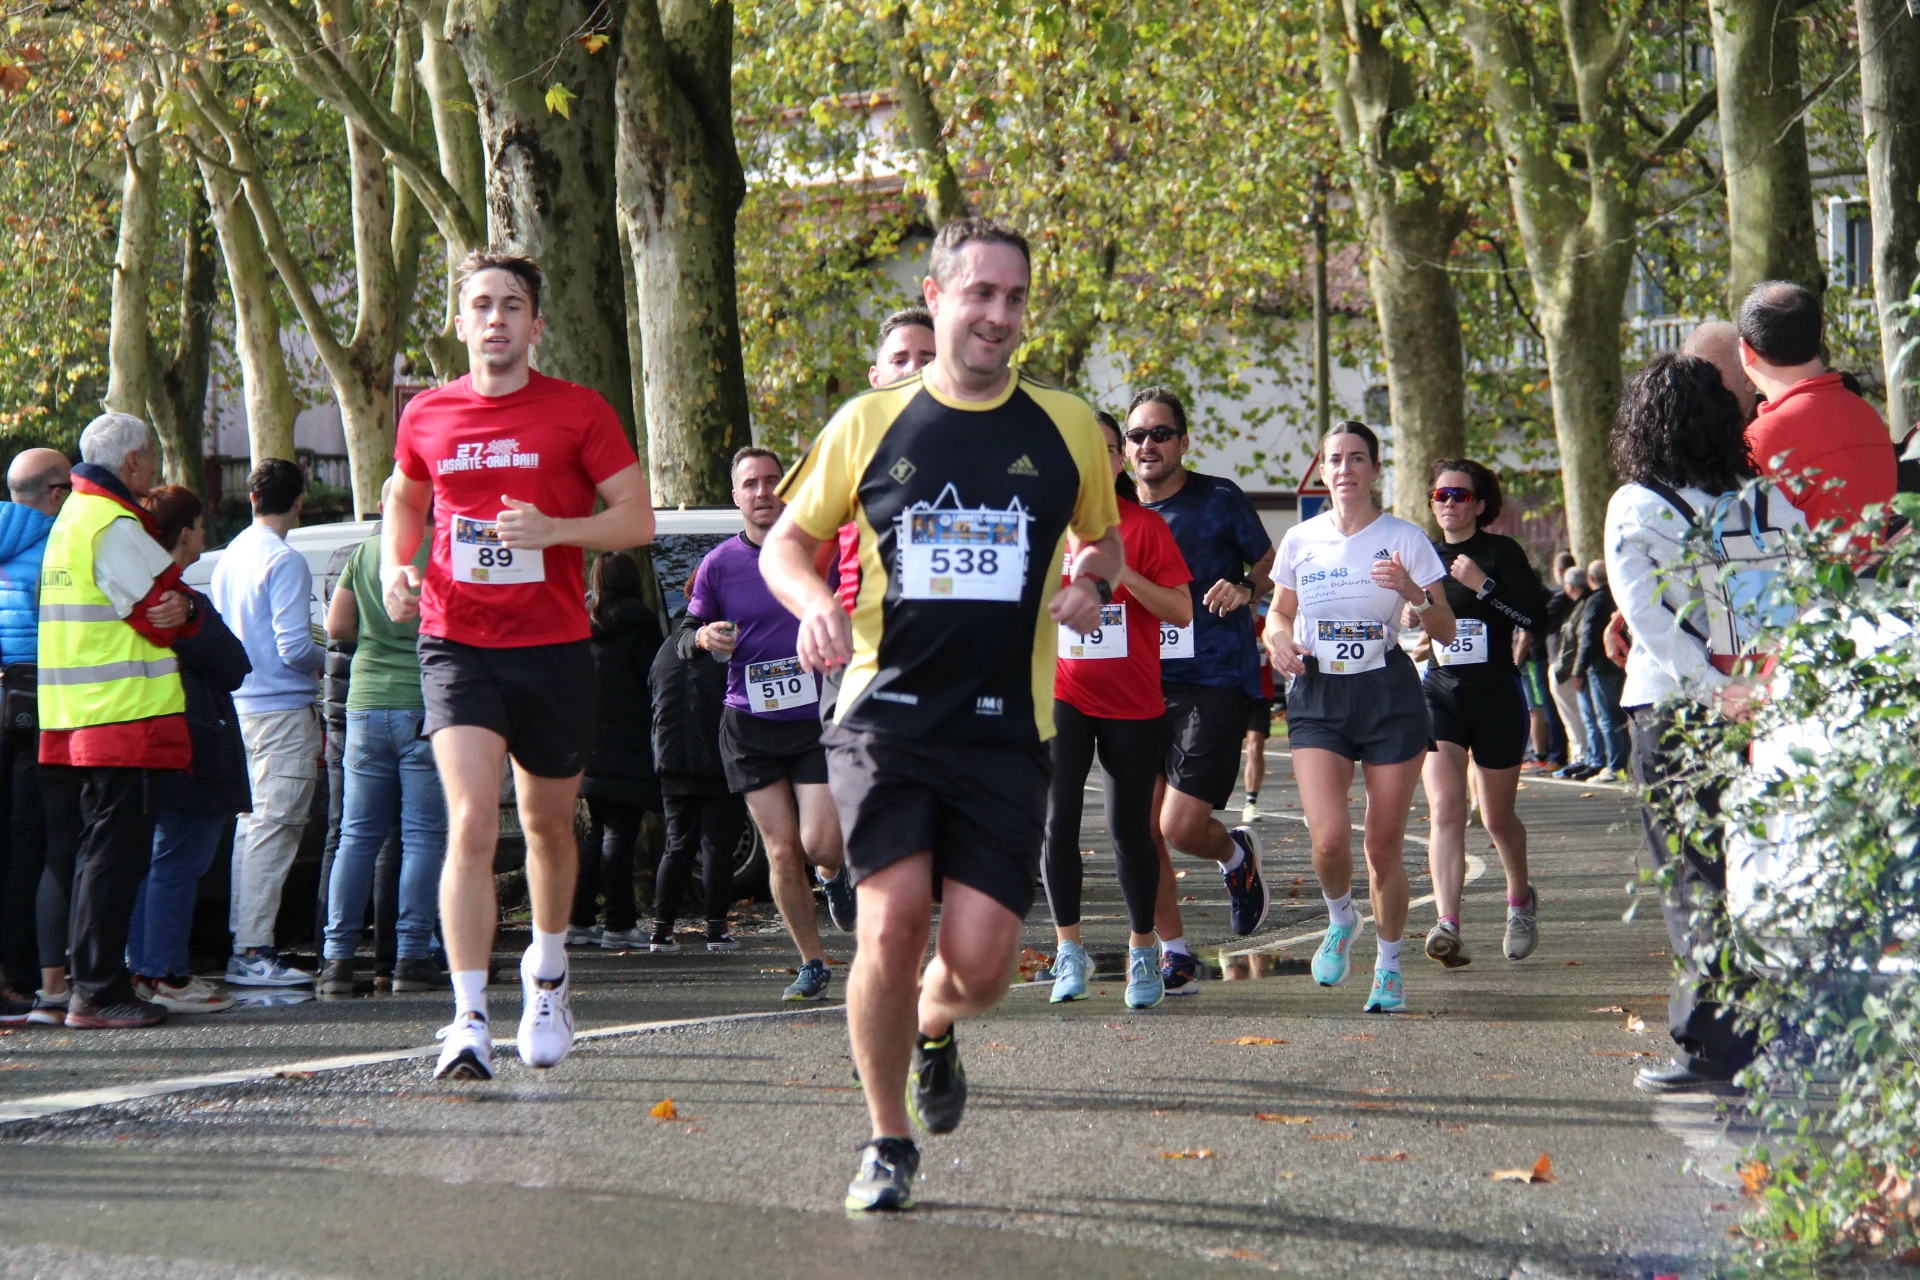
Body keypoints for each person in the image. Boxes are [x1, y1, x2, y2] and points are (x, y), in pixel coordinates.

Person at [760, 217, 1123, 1213]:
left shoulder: (1066, 426)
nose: (998, 315)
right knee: (888, 925)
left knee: (984, 965)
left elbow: (1103, 540)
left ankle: (934, 1021)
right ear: (936, 294)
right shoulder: (870, 422)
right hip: (884, 717)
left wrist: (1093, 582)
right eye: (980, 293)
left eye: (1015, 297)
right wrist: (815, 601)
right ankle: (886, 1139)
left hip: (1008, 728)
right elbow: (783, 544)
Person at [383, 248, 652, 1082]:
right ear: (460, 323)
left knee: (545, 826)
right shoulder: (427, 413)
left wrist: (556, 532)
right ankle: (467, 1018)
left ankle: (549, 973)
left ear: (535, 325)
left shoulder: (578, 411)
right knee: (470, 821)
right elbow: (406, 496)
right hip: (456, 641)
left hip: (554, 646)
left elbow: (638, 519)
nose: (494, 318)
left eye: (510, 305)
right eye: (480, 304)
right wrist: (397, 565)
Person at [1604, 352, 1807, 1093]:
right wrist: (1755, 685)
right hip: (1763, 703)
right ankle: (1775, 1030)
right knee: (1757, 866)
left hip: (1675, 708)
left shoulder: (1638, 504)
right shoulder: (1765, 500)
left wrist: (1711, 687)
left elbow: (1647, 618)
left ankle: (1710, 1046)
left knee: (1692, 871)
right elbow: (1798, 592)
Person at [1263, 421, 1454, 1015]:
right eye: (1335, 459)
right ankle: (1342, 916)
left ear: (1374, 469)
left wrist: (1414, 594)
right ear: (1322, 470)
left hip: (1387, 695)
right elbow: (1278, 614)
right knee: (1328, 839)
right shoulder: (1300, 539)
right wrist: (1278, 641)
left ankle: (1389, 966)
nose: (1345, 468)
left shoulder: (1405, 538)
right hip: (1318, 692)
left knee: (1382, 845)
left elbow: (1447, 629)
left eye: (1357, 458)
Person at [36, 412, 199, 1029]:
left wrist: (179, 608)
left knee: (94, 852)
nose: (154, 464)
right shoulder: (111, 520)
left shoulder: (73, 517)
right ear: (132, 461)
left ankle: (92, 986)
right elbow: (162, 606)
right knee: (115, 855)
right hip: (123, 715)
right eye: (150, 454)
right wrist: (187, 610)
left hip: (79, 714)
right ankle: (99, 990)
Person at [684, 446, 853, 1000]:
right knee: (781, 851)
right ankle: (812, 961)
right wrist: (703, 636)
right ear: (735, 495)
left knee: (820, 843)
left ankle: (832, 874)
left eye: (772, 481)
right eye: (751, 483)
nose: (762, 492)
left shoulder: (818, 551)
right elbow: (686, 633)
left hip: (814, 718)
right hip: (749, 724)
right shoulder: (718, 564)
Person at [1125, 385, 1275, 996]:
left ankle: (1235, 855)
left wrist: (1245, 587)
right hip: (1136, 682)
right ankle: (1176, 955)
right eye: (1137, 435)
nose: (1148, 445)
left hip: (1212, 679)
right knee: (1143, 830)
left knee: (1181, 827)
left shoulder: (1218, 498)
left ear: (1183, 442)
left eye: (1161, 434)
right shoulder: (1114, 508)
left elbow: (1269, 561)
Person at [1042, 411, 1192, 1011]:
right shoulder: (1047, 530)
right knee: (1057, 821)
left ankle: (1142, 949)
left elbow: (1181, 610)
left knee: (1129, 830)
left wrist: (1123, 573)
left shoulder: (1145, 527)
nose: (1095, 459)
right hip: (1063, 695)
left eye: (1108, 449)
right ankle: (1068, 950)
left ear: (1119, 461)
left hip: (1132, 703)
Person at [318, 482, 448, 995]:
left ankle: (336, 959)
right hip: (424, 702)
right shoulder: (443, 550)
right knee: (422, 836)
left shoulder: (365, 553)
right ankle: (411, 956)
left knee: (356, 836)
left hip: (365, 704)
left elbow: (338, 627)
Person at [1417, 459, 1548, 968]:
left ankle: (1519, 902)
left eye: (1460, 495)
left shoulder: (1501, 552)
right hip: (1440, 693)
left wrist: (1483, 585)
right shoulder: (1422, 555)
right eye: (1441, 495)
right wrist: (1408, 614)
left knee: (1495, 817)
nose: (1449, 503)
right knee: (1446, 809)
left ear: (1479, 505)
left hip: (1495, 695)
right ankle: (1448, 924)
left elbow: (1536, 617)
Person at [126, 486, 244, 1014]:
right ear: (185, 532)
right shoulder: (177, 599)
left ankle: (144, 969)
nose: (203, 533)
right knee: (179, 859)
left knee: (155, 861)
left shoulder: (133, 588)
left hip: (148, 735)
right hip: (193, 739)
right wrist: (198, 612)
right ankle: (165, 973)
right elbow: (233, 664)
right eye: (198, 523)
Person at [210, 458, 325, 987]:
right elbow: (295, 647)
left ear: (253, 499)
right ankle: (253, 949)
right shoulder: (284, 559)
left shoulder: (230, 556)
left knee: (252, 828)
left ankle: (246, 942)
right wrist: (335, 654)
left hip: (240, 708)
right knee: (275, 829)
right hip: (281, 709)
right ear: (298, 502)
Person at [1737, 281, 1895, 548]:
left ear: (1746, 351)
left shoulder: (1766, 435)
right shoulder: (1866, 413)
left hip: (1811, 575)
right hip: (1880, 570)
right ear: (1820, 335)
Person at [0, 448, 69, 1022]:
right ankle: (23, 972)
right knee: (32, 842)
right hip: (37, 706)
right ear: (56, 493)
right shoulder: (56, 548)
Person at [569, 549, 663, 952]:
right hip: (630, 743)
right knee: (620, 833)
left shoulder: (583, 623)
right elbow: (654, 681)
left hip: (590, 743)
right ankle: (620, 923)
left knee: (597, 833)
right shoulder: (642, 624)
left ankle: (579, 918)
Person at [828, 309, 940, 626]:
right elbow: (797, 549)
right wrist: (818, 607)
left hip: (948, 635)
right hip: (866, 636)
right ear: (875, 378)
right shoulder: (847, 446)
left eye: (927, 359)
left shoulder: (977, 446)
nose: (913, 369)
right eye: (899, 360)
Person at [648, 573, 741, 951]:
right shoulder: (723, 648)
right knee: (717, 846)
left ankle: (661, 929)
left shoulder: (666, 648)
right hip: (717, 759)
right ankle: (716, 928)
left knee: (677, 845)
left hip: (671, 760)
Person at [1570, 559, 1629, 782]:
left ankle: (1615, 766)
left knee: (1607, 718)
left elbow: (1588, 636)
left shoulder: (1594, 600)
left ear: (1591, 579)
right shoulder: (1617, 595)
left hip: (1601, 666)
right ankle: (1623, 763)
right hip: (1621, 662)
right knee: (1620, 717)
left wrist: (1578, 669)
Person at [1547, 565, 1593, 779]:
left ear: (1570, 586)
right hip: (1571, 669)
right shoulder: (1580, 604)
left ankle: (1581, 756)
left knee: (1575, 717)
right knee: (1578, 717)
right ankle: (1582, 756)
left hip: (1568, 671)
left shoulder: (1580, 606)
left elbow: (1577, 642)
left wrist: (1573, 671)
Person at [1241, 627, 1280, 823]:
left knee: (1255, 745)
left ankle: (1251, 802)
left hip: (1260, 695)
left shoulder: (1268, 625)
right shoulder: (1228, 623)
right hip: (1231, 692)